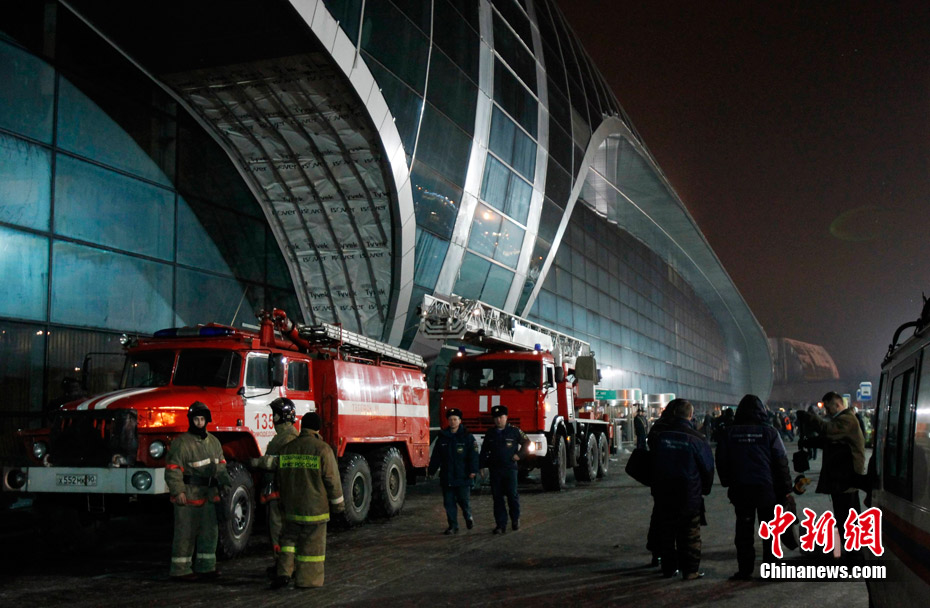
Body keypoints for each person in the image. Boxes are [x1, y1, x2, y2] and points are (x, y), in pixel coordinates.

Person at [716, 395, 792, 580]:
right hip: (766, 489)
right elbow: (781, 462)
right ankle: (772, 569)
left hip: (741, 488)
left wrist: (727, 481)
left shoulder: (729, 432)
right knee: (770, 531)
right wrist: (786, 489)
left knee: (744, 531)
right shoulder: (770, 432)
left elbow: (721, 460)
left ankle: (745, 569)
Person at [272, 411, 344, 589]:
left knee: (288, 541)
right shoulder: (322, 449)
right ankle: (307, 580)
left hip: (291, 509)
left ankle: (284, 572)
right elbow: (332, 481)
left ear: (301, 426)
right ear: (318, 428)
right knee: (312, 547)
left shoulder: (286, 449)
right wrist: (339, 507)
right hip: (315, 510)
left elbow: (279, 479)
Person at [165, 401, 231, 581]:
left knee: (210, 533)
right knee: (185, 533)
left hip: (209, 496)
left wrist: (225, 484)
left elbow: (221, 466)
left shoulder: (214, 442)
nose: (199, 423)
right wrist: (178, 491)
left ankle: (206, 566)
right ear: (191, 420)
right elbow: (173, 469)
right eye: (196, 419)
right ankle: (180, 570)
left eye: (202, 419)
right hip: (188, 496)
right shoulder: (182, 443)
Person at [648, 398, 714, 581]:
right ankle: (690, 571)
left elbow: (651, 461)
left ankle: (668, 569)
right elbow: (707, 469)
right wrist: (704, 489)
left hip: (664, 493)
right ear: (691, 415)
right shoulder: (697, 439)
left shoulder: (660, 436)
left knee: (667, 533)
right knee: (690, 534)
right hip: (689, 493)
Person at [796, 392, 866, 557]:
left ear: (838, 404)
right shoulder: (842, 420)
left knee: (847, 520)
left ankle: (853, 557)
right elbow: (828, 441)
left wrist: (809, 417)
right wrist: (809, 442)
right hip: (842, 477)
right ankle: (852, 554)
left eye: (828, 407)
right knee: (846, 518)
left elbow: (827, 431)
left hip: (846, 478)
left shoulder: (847, 420)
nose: (826, 412)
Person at [248, 397, 300, 574]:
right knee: (276, 531)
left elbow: (283, 462)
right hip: (277, 491)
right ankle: (282, 564)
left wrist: (258, 462)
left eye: (274, 414)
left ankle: (285, 567)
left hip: (280, 492)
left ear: (281, 417)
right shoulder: (284, 436)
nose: (272, 418)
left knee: (279, 531)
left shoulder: (288, 438)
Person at [428, 407, 479, 534]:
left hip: (463, 476)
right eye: (450, 419)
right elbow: (436, 456)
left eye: (455, 419)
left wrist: (473, 470)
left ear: (460, 421)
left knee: (463, 500)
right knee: (449, 502)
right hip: (447, 476)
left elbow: (473, 455)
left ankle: (468, 517)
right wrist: (431, 471)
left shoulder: (467, 437)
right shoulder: (443, 437)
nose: (452, 422)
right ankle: (453, 526)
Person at [479, 405, 528, 534]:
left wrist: (520, 455)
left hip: (510, 469)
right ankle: (500, 524)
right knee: (497, 497)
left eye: (501, 417)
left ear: (506, 417)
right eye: (496, 418)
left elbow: (527, 443)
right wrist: (482, 466)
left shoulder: (514, 431)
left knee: (512, 495)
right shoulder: (490, 433)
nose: (498, 420)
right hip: (495, 470)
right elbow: (484, 451)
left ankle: (515, 519)